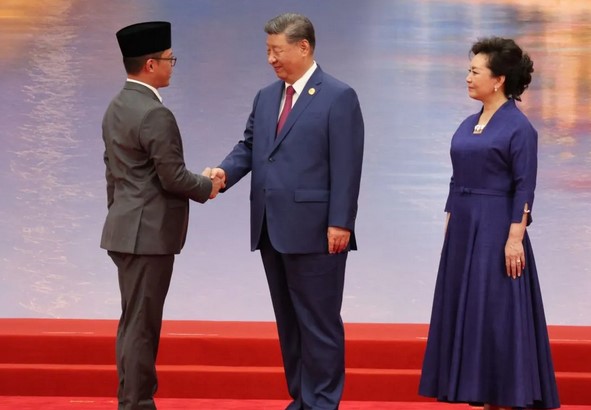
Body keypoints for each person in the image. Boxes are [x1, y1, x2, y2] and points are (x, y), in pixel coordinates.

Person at [210, 13, 364, 410]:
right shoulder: (266, 97)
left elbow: (347, 164)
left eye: (277, 51)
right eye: (267, 51)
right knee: (290, 322)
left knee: (319, 322)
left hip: (317, 231)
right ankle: (301, 399)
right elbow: (249, 146)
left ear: (304, 47)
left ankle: (322, 402)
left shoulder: (338, 96)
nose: (271, 59)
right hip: (270, 227)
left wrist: (341, 222)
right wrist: (223, 174)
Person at [418, 37, 560, 410]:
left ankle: (505, 397)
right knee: (470, 310)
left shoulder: (519, 128)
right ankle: (479, 394)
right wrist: (450, 218)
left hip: (496, 227)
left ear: (498, 80)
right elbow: (456, 176)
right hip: (464, 227)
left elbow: (524, 185)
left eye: (475, 71)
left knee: (496, 311)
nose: (468, 77)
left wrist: (515, 237)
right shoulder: (470, 123)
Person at [100, 21, 223, 410]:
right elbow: (173, 177)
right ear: (151, 64)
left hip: (125, 230)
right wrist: (208, 185)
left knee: (133, 322)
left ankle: (132, 400)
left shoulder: (116, 106)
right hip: (148, 236)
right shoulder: (155, 114)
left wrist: (121, 216)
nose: (173, 65)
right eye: (170, 59)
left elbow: (113, 173)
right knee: (142, 326)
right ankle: (136, 403)